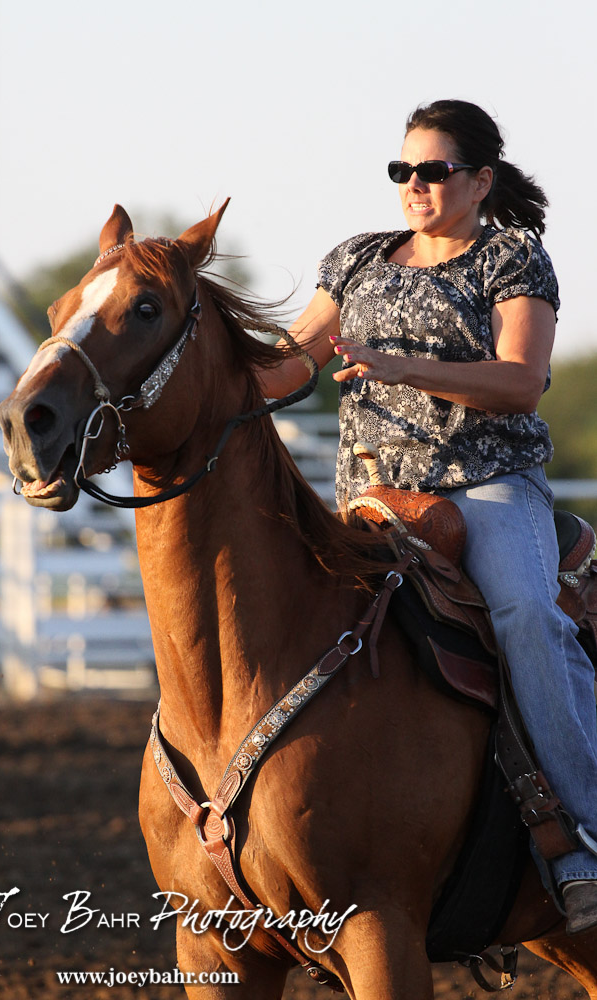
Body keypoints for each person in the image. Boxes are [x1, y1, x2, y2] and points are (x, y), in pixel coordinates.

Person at [260, 99, 597, 934]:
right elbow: (288, 367)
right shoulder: (358, 258)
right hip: (370, 499)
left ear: (479, 181)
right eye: (402, 170)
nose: (414, 185)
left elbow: (521, 380)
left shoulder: (510, 257)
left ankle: (583, 832)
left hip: (486, 488)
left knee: (523, 612)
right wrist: (179, 353)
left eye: (434, 170)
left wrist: (396, 367)